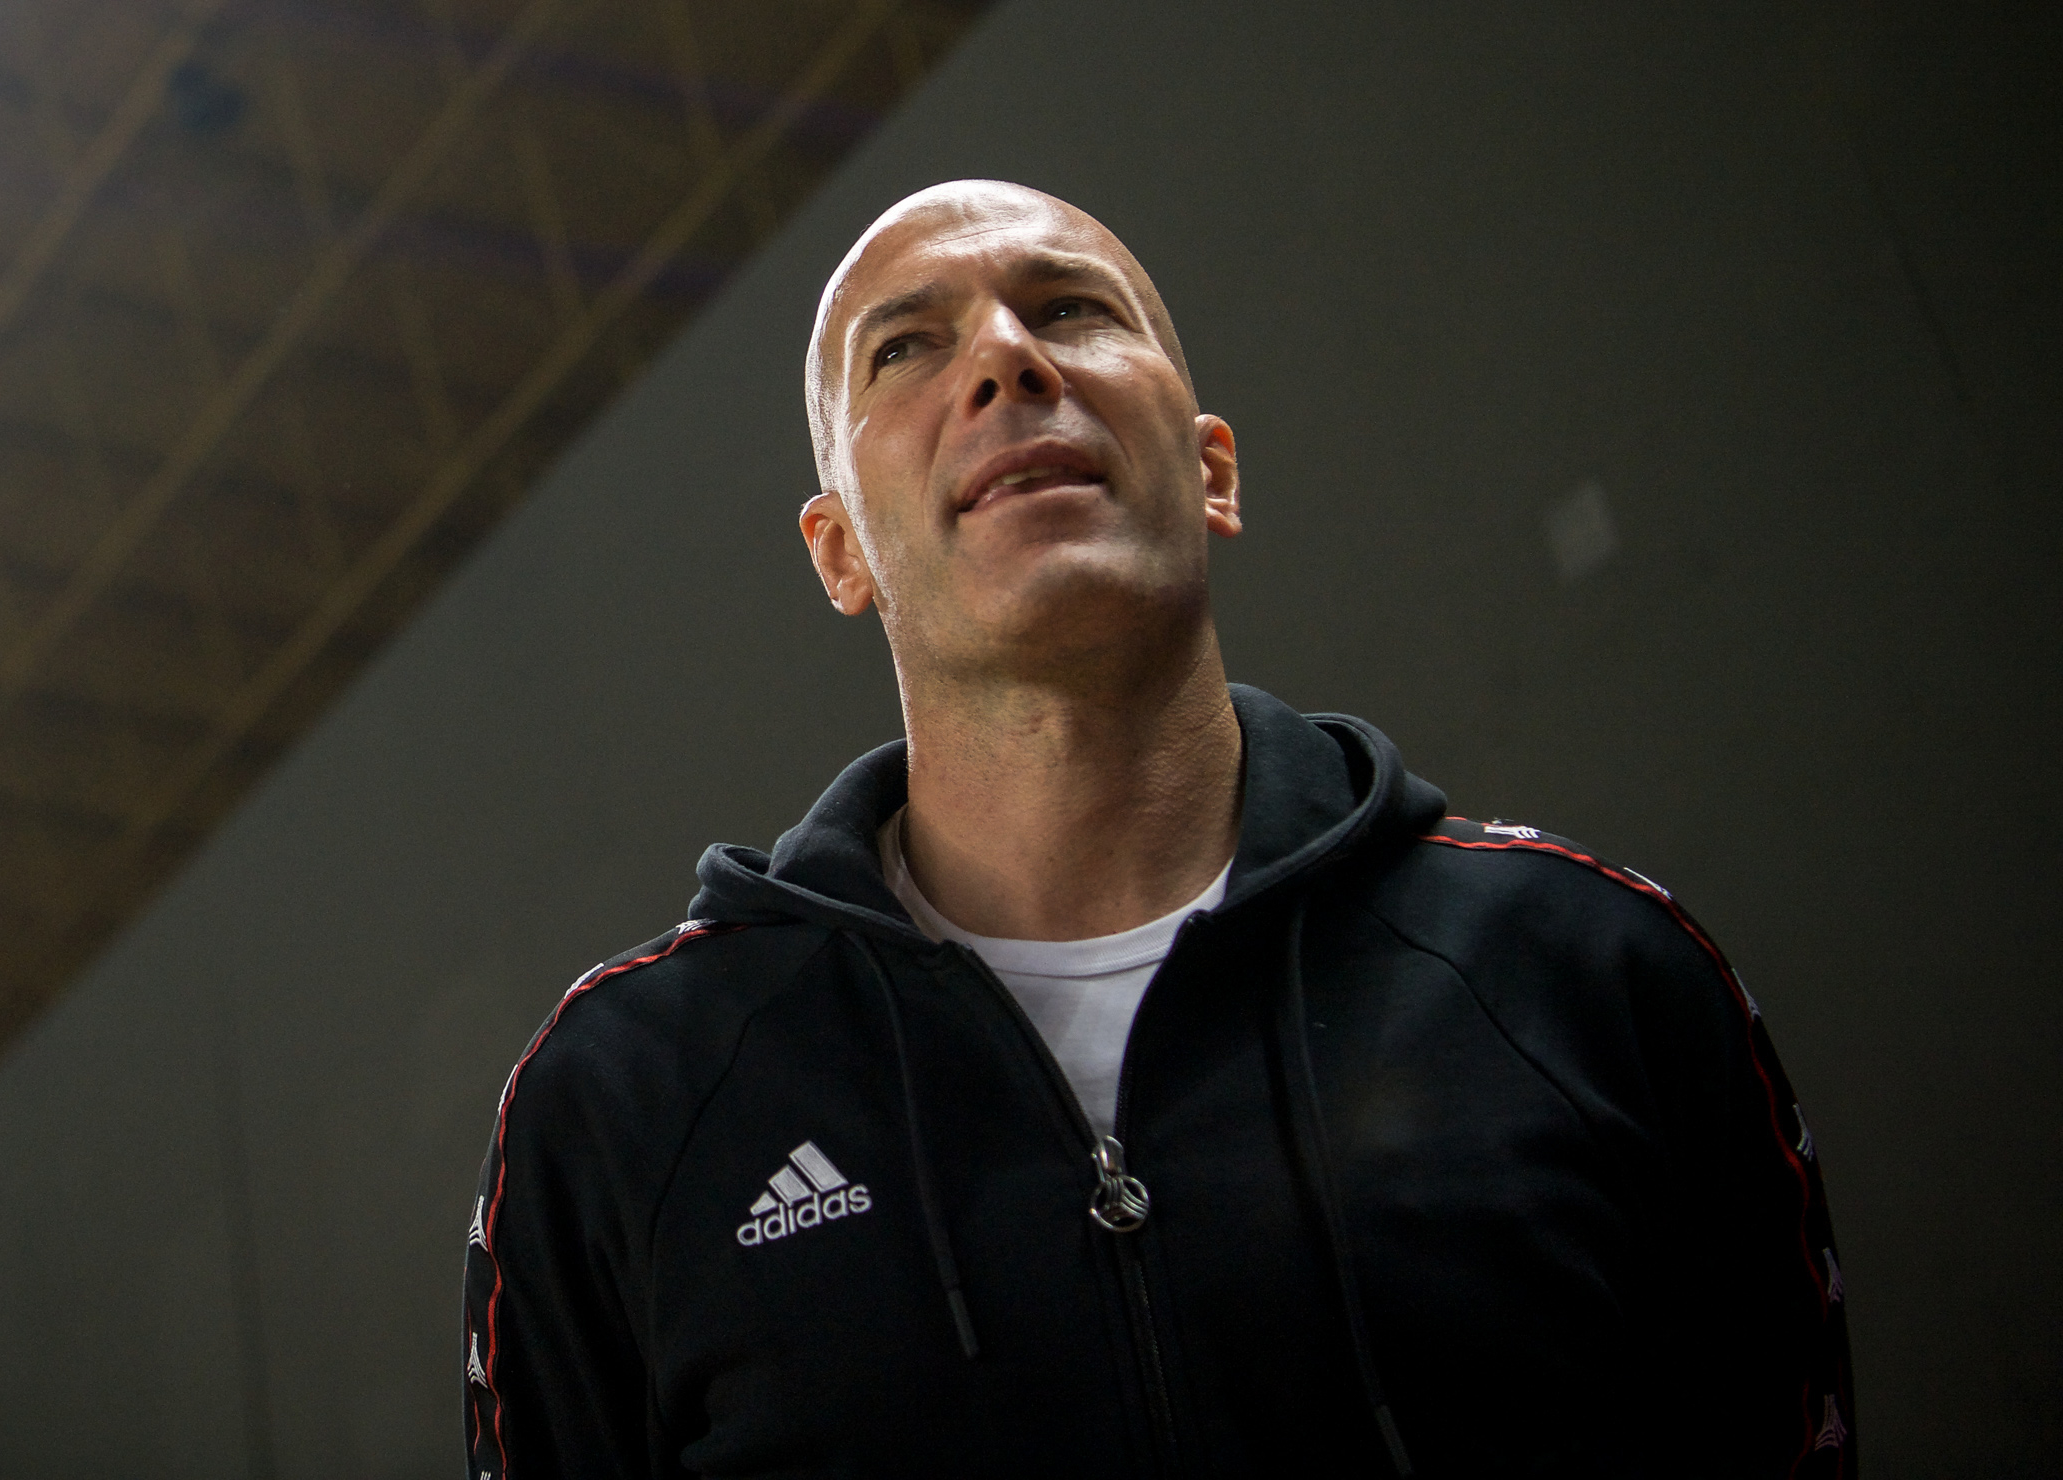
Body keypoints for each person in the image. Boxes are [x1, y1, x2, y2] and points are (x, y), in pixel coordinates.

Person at [461, 181, 1853, 1476]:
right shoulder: (628, 1108)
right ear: (841, 554)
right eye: (905, 349)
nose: (1007, 360)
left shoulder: (1588, 972)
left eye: (1070, 309)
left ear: (1213, 472)